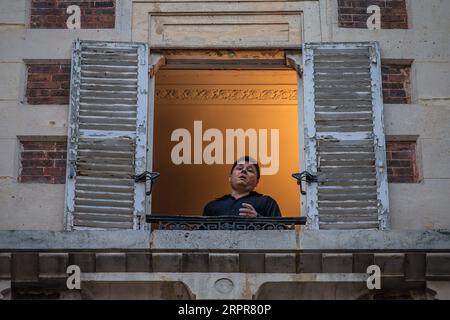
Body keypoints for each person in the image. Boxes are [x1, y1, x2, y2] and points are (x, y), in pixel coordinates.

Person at [203, 156, 282, 217]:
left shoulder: (267, 203)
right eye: (239, 168)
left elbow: (281, 232)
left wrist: (257, 218)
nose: (243, 171)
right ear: (230, 178)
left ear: (257, 182)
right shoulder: (212, 206)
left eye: (250, 170)